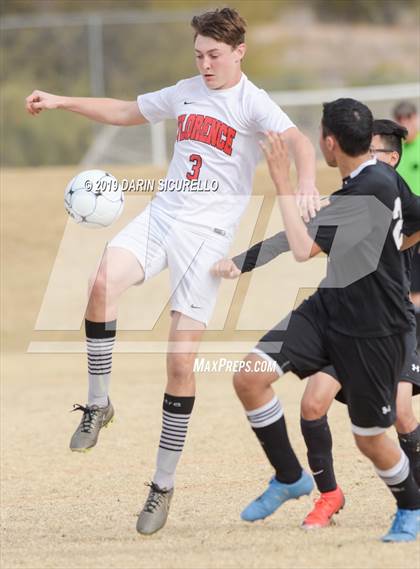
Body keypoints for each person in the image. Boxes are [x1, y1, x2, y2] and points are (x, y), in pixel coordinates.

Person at [25, 7, 319, 535]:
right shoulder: (186, 90)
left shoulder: (253, 103)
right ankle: (97, 403)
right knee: (100, 283)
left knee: (180, 365)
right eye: (199, 54)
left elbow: (298, 141)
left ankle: (161, 486)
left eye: (214, 55)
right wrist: (62, 100)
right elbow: (124, 111)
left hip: (206, 243)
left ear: (238, 52)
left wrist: (306, 184)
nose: (205, 64)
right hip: (161, 217)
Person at [218, 98, 420, 542]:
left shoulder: (362, 193)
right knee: (250, 377)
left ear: (330, 143)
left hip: (374, 327)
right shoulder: (385, 176)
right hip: (328, 308)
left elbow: (300, 247)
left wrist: (282, 181)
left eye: (320, 136)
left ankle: (411, 506)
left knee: (370, 438)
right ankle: (291, 477)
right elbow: (415, 220)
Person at [393, 101, 420, 342]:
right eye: (400, 118)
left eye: (409, 117)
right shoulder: (394, 154)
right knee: (407, 293)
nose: (405, 123)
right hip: (404, 232)